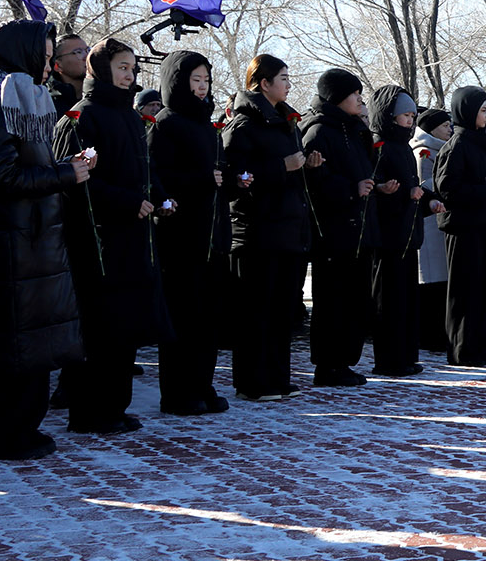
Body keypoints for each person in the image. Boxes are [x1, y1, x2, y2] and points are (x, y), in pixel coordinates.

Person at [0, 21, 91, 457]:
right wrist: (66, 173)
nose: (50, 64)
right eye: (45, 54)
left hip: (32, 245)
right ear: (22, 55)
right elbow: (3, 176)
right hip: (7, 248)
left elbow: (27, 164)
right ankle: (1, 436)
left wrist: (66, 165)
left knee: (32, 350)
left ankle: (23, 430)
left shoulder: (22, 102)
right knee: (8, 352)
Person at [54, 37, 171, 433]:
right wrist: (125, 202)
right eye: (122, 67)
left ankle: (114, 406)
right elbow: (76, 181)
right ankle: (89, 411)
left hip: (133, 238)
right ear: (98, 69)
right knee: (100, 328)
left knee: (125, 329)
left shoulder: (128, 115)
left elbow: (141, 169)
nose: (129, 75)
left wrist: (158, 197)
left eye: (133, 68)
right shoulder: (80, 117)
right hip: (99, 242)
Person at [223, 55, 317, 401]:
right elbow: (238, 177)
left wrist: (306, 164)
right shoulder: (244, 125)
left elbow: (293, 170)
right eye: (283, 77)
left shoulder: (285, 122)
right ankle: (253, 381)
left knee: (281, 311)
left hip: (288, 228)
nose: (288, 84)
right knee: (256, 312)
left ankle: (277, 375)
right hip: (257, 230)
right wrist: (282, 166)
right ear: (263, 83)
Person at [149, 51, 231, 414]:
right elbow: (158, 179)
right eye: (195, 81)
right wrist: (200, 180)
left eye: (206, 81)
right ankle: (178, 391)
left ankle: (202, 383)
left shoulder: (206, 123)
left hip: (210, 233)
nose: (201, 88)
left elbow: (216, 173)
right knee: (183, 316)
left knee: (208, 317)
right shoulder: (166, 124)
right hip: (180, 236)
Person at [301, 69, 377, 387]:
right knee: (333, 300)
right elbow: (314, 179)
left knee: (355, 299)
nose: (360, 99)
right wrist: (350, 189)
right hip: (333, 231)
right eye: (353, 93)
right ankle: (329, 364)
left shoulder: (355, 129)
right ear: (336, 97)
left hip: (358, 228)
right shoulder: (319, 130)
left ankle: (345, 360)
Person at [435, 87, 486, 367]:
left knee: (480, 289)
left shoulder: (482, 144)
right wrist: (485, 193)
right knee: (464, 291)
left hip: (484, 225)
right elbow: (448, 189)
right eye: (483, 110)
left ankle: (476, 346)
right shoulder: (457, 145)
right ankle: (462, 350)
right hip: (463, 228)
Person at [367, 85, 431, 377]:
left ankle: (406, 354)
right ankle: (389, 359)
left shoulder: (404, 147)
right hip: (389, 235)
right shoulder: (380, 145)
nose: (410, 121)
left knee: (406, 299)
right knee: (388, 299)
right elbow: (375, 186)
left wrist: (424, 199)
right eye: (405, 115)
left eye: (412, 115)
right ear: (390, 116)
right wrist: (392, 191)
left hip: (408, 233)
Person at [411, 108, 453, 353]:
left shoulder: (443, 149)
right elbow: (425, 184)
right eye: (444, 125)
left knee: (441, 282)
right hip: (429, 222)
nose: (449, 129)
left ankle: (438, 333)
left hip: (442, 222)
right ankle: (429, 336)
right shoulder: (424, 152)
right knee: (430, 282)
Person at [47, 32, 89, 118]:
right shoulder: (48, 105)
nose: (87, 57)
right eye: (78, 52)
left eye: (88, 50)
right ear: (57, 66)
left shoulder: (103, 98)